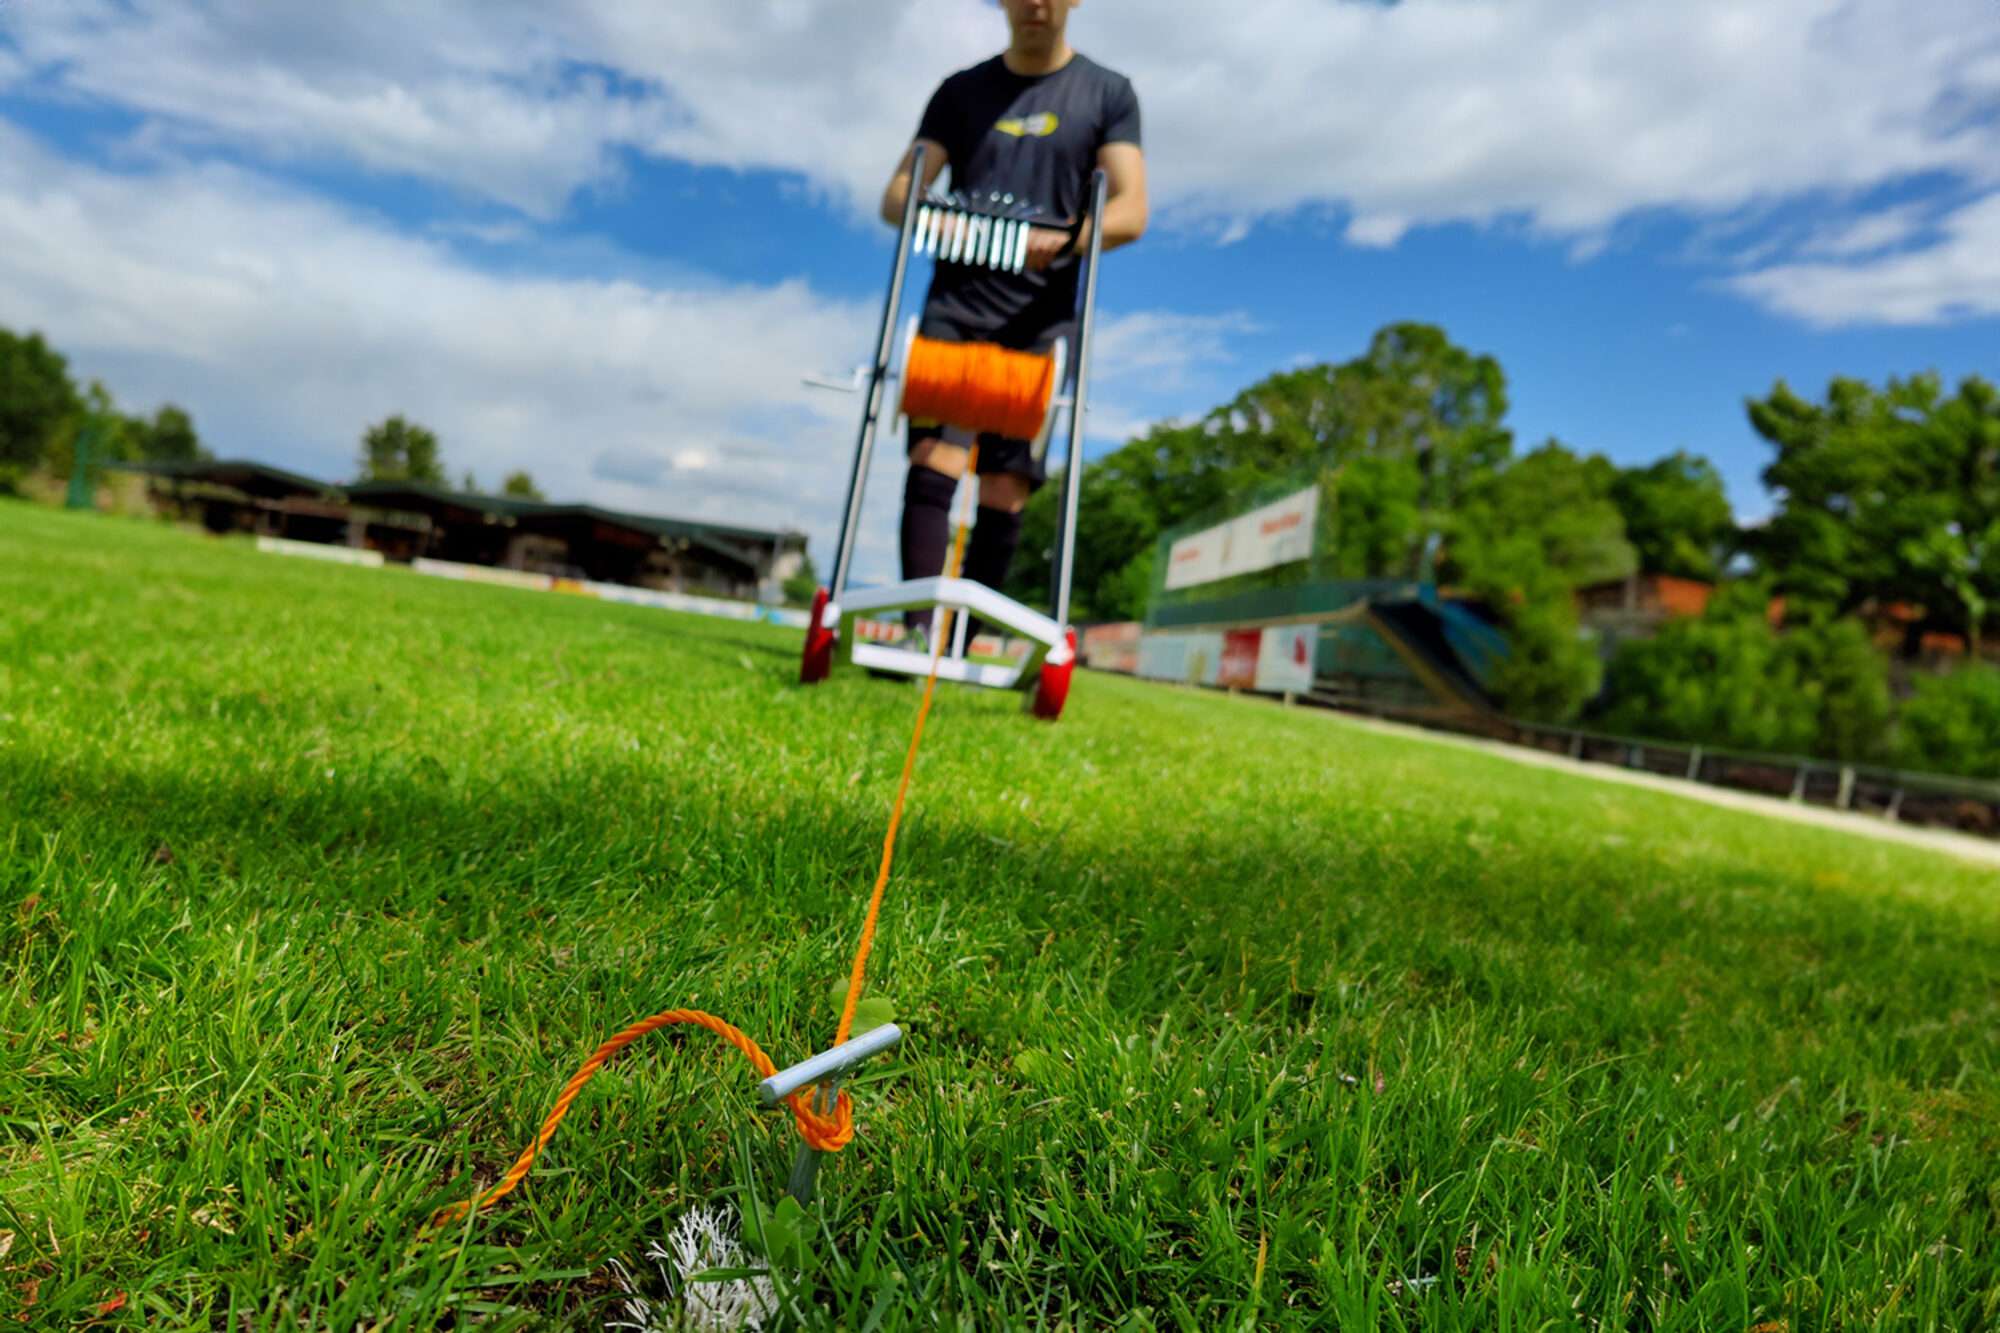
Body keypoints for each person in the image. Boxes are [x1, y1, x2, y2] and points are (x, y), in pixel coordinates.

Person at [879, 0, 1148, 638]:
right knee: (935, 456)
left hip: (1042, 317)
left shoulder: (1108, 93)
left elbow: (1131, 211)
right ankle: (920, 630)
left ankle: (969, 642)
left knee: (1006, 484)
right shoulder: (960, 91)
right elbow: (897, 196)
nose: (1035, 5)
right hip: (956, 307)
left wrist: (1072, 238)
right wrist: (930, 215)